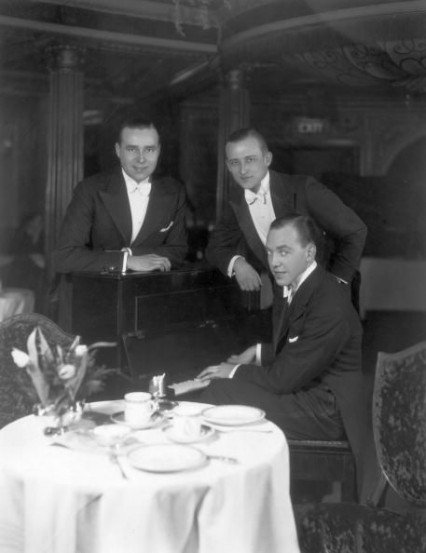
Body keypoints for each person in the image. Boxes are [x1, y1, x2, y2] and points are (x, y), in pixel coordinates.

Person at [196, 214, 374, 497]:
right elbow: (302, 349)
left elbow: (282, 380)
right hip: (316, 393)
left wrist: (231, 371)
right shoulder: (309, 284)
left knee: (222, 392)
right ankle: (243, 492)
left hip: (329, 410)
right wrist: (256, 353)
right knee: (228, 394)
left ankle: (214, 494)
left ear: (310, 252)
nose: (274, 262)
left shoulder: (328, 301)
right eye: (269, 252)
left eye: (284, 252)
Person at [206, 128, 367, 299]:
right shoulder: (236, 203)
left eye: (250, 160)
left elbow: (355, 231)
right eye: (235, 163)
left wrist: (336, 283)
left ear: (267, 159)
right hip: (284, 305)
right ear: (227, 166)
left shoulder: (304, 188)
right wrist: (237, 263)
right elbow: (215, 248)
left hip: (329, 298)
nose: (243, 170)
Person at [55, 115, 188, 274]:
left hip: (147, 293)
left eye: (149, 149)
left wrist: (133, 254)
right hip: (94, 292)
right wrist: (126, 261)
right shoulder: (90, 189)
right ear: (118, 150)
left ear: (159, 150)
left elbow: (178, 251)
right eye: (132, 149)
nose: (141, 159)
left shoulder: (174, 191)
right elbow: (65, 256)